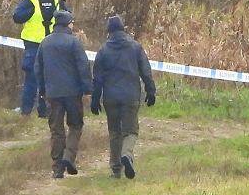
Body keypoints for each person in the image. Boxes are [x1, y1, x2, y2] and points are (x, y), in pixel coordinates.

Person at [90, 15, 157, 180]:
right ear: (123, 28)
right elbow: (146, 71)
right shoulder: (135, 47)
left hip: (110, 98)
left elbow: (97, 78)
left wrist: (95, 99)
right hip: (131, 96)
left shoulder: (103, 50)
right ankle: (126, 154)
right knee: (131, 131)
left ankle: (115, 170)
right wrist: (151, 91)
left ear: (108, 31)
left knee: (114, 133)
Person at [35, 10, 92, 179]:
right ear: (69, 24)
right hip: (73, 93)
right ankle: (69, 157)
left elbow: (38, 69)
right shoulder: (74, 43)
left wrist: (43, 90)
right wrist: (87, 88)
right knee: (75, 125)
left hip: (52, 93)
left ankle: (57, 168)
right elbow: (83, 66)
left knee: (56, 130)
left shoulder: (45, 43)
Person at [11, 0, 64, 117]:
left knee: (48, 79)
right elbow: (16, 17)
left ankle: (45, 111)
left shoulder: (57, 0)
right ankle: (26, 110)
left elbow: (67, 19)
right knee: (31, 77)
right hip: (33, 44)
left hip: (51, 45)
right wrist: (30, 12)